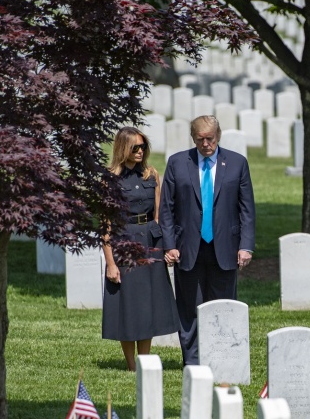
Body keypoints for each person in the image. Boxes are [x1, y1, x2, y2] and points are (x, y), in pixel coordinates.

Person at [160, 115, 255, 366]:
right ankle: (192, 362)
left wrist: (245, 246)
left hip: (225, 247)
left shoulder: (236, 163)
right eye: (200, 139)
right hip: (187, 248)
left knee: (223, 306)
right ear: (193, 138)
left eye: (210, 138)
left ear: (218, 135)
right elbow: (167, 209)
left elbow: (246, 209)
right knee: (189, 307)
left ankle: (222, 358)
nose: (205, 144)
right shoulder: (178, 163)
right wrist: (169, 245)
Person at [101, 127, 180, 371]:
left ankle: (144, 360)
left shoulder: (151, 174)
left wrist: (167, 247)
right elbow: (106, 225)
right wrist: (111, 263)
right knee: (128, 304)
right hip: (124, 243)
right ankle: (131, 365)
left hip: (150, 243)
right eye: (135, 147)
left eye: (143, 146)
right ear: (123, 148)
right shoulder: (110, 179)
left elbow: (159, 214)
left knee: (148, 303)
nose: (140, 151)